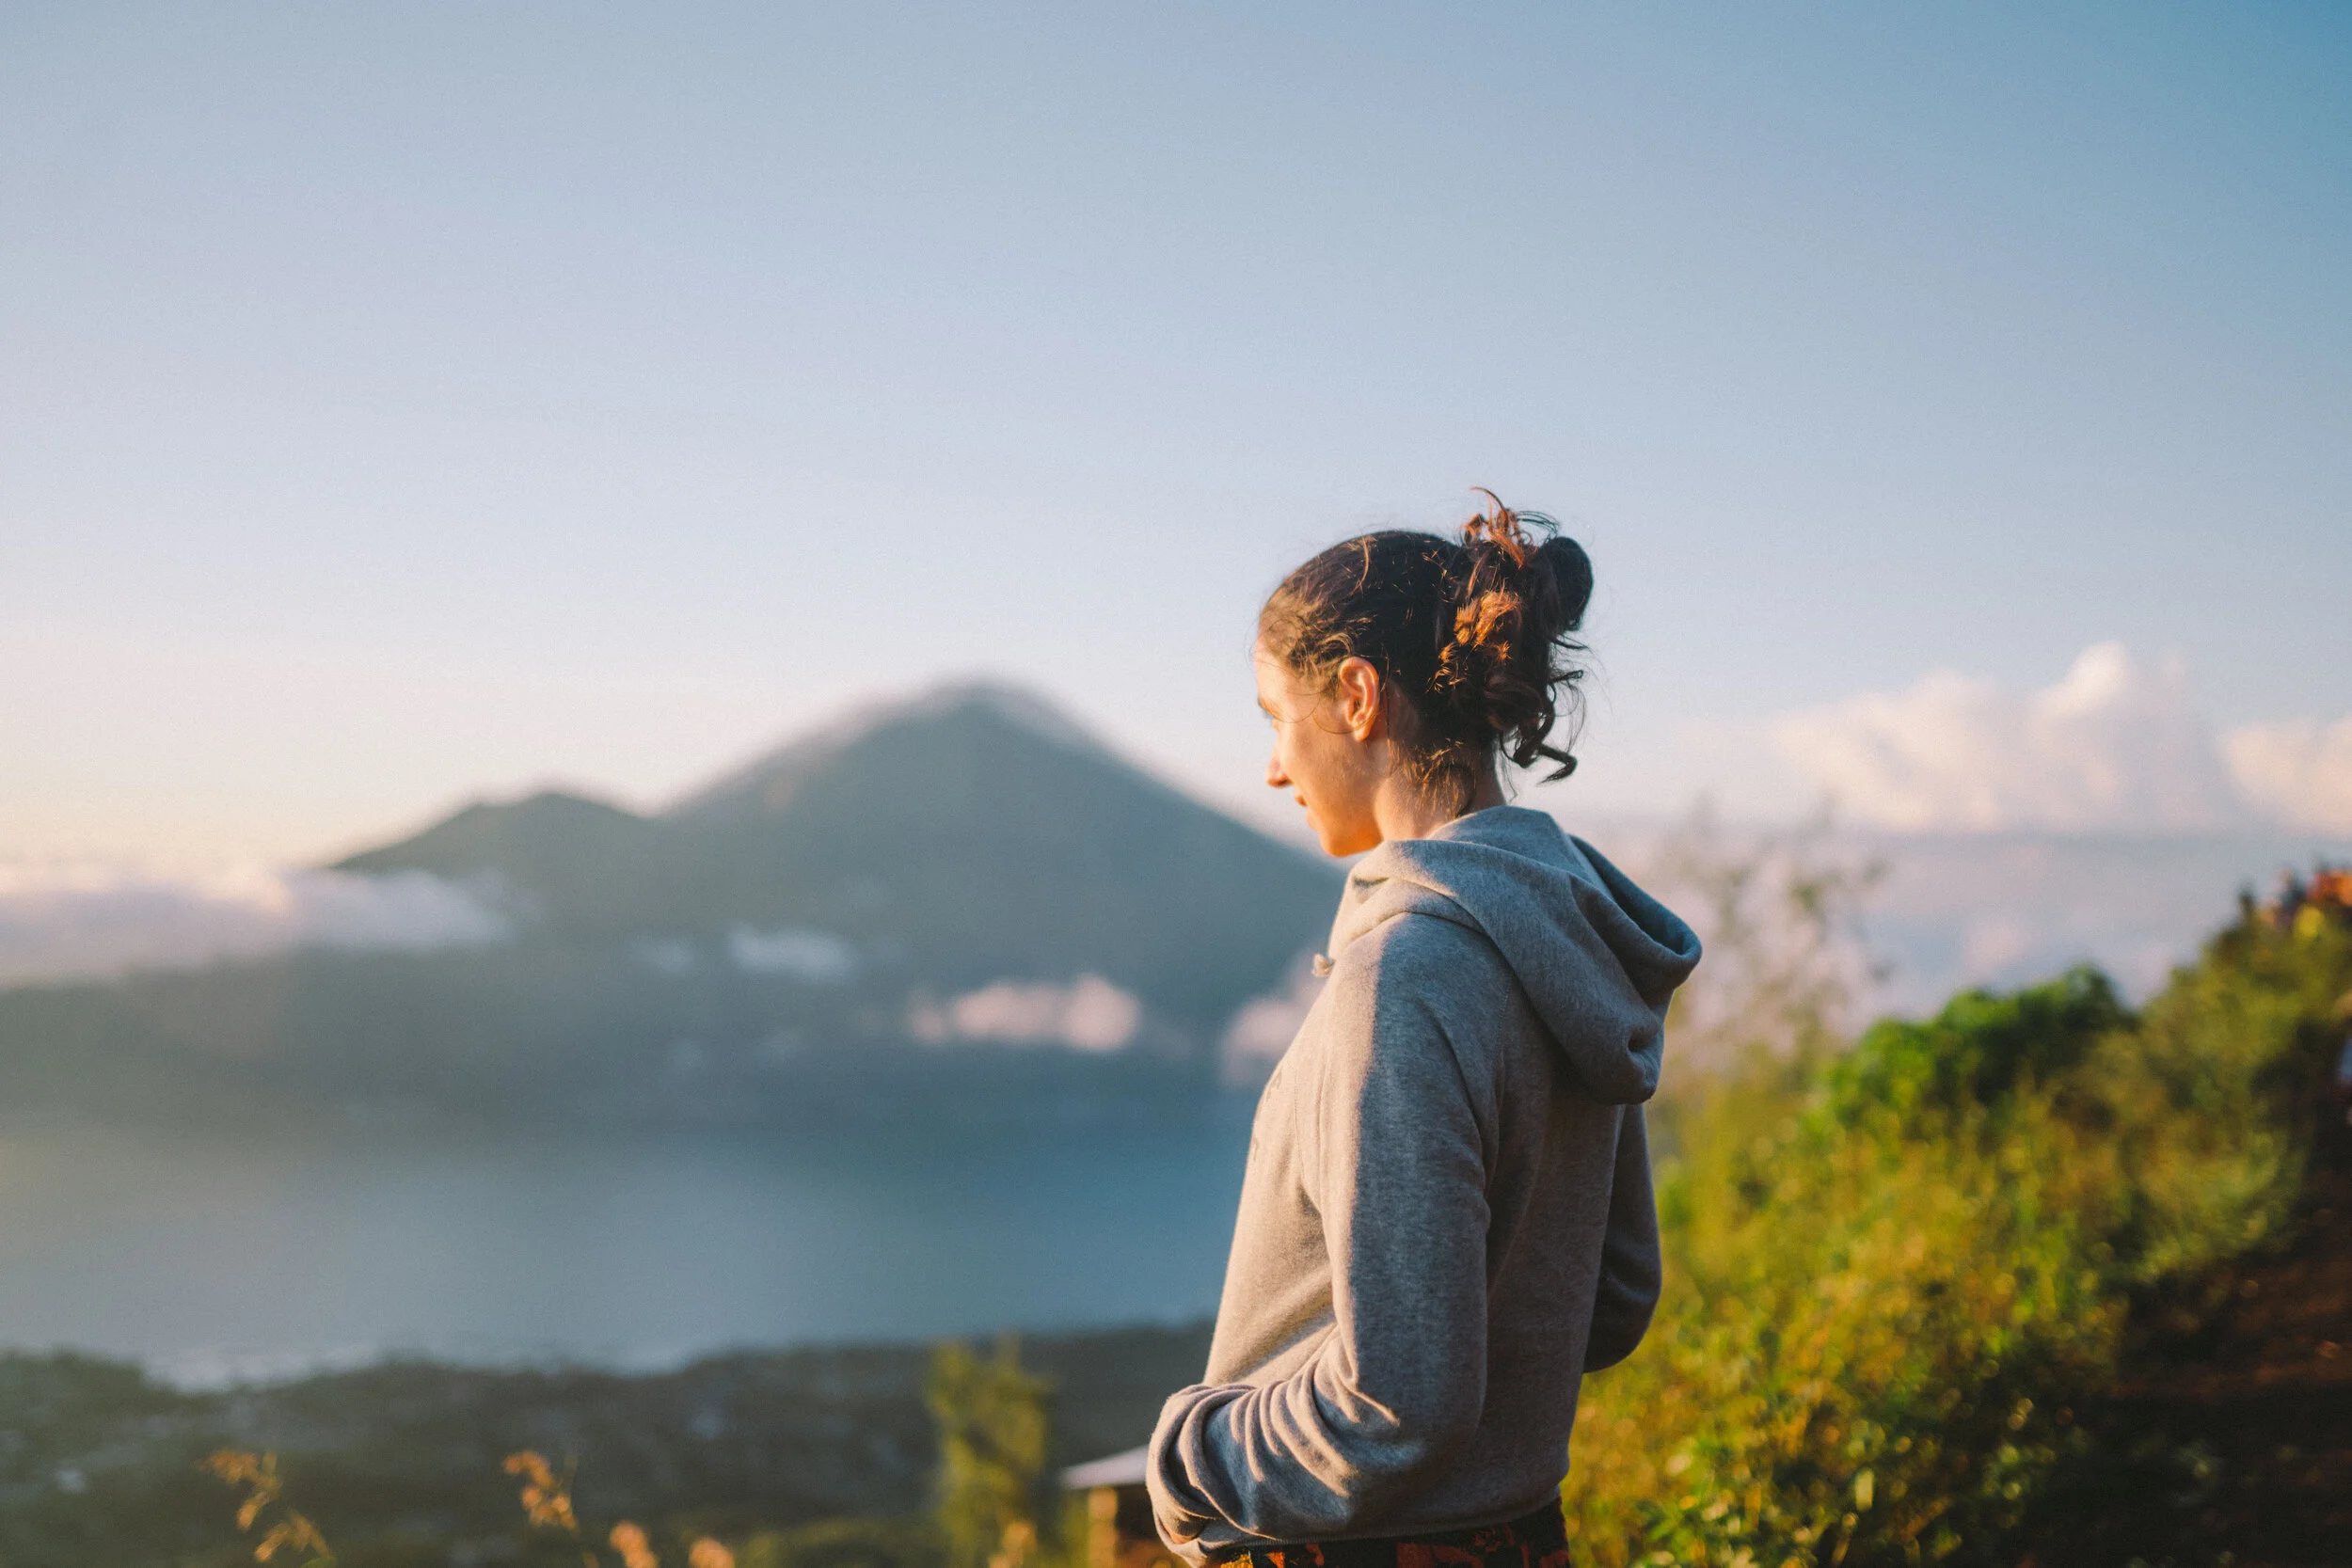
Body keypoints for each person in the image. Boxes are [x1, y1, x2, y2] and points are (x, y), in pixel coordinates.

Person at [1146, 498, 1702, 1568]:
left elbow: (1393, 1402)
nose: (1271, 767)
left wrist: (1188, 1451)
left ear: (1355, 695)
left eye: (1276, 716)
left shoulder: (1401, 980)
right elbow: (1613, 1298)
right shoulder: (1562, 943)